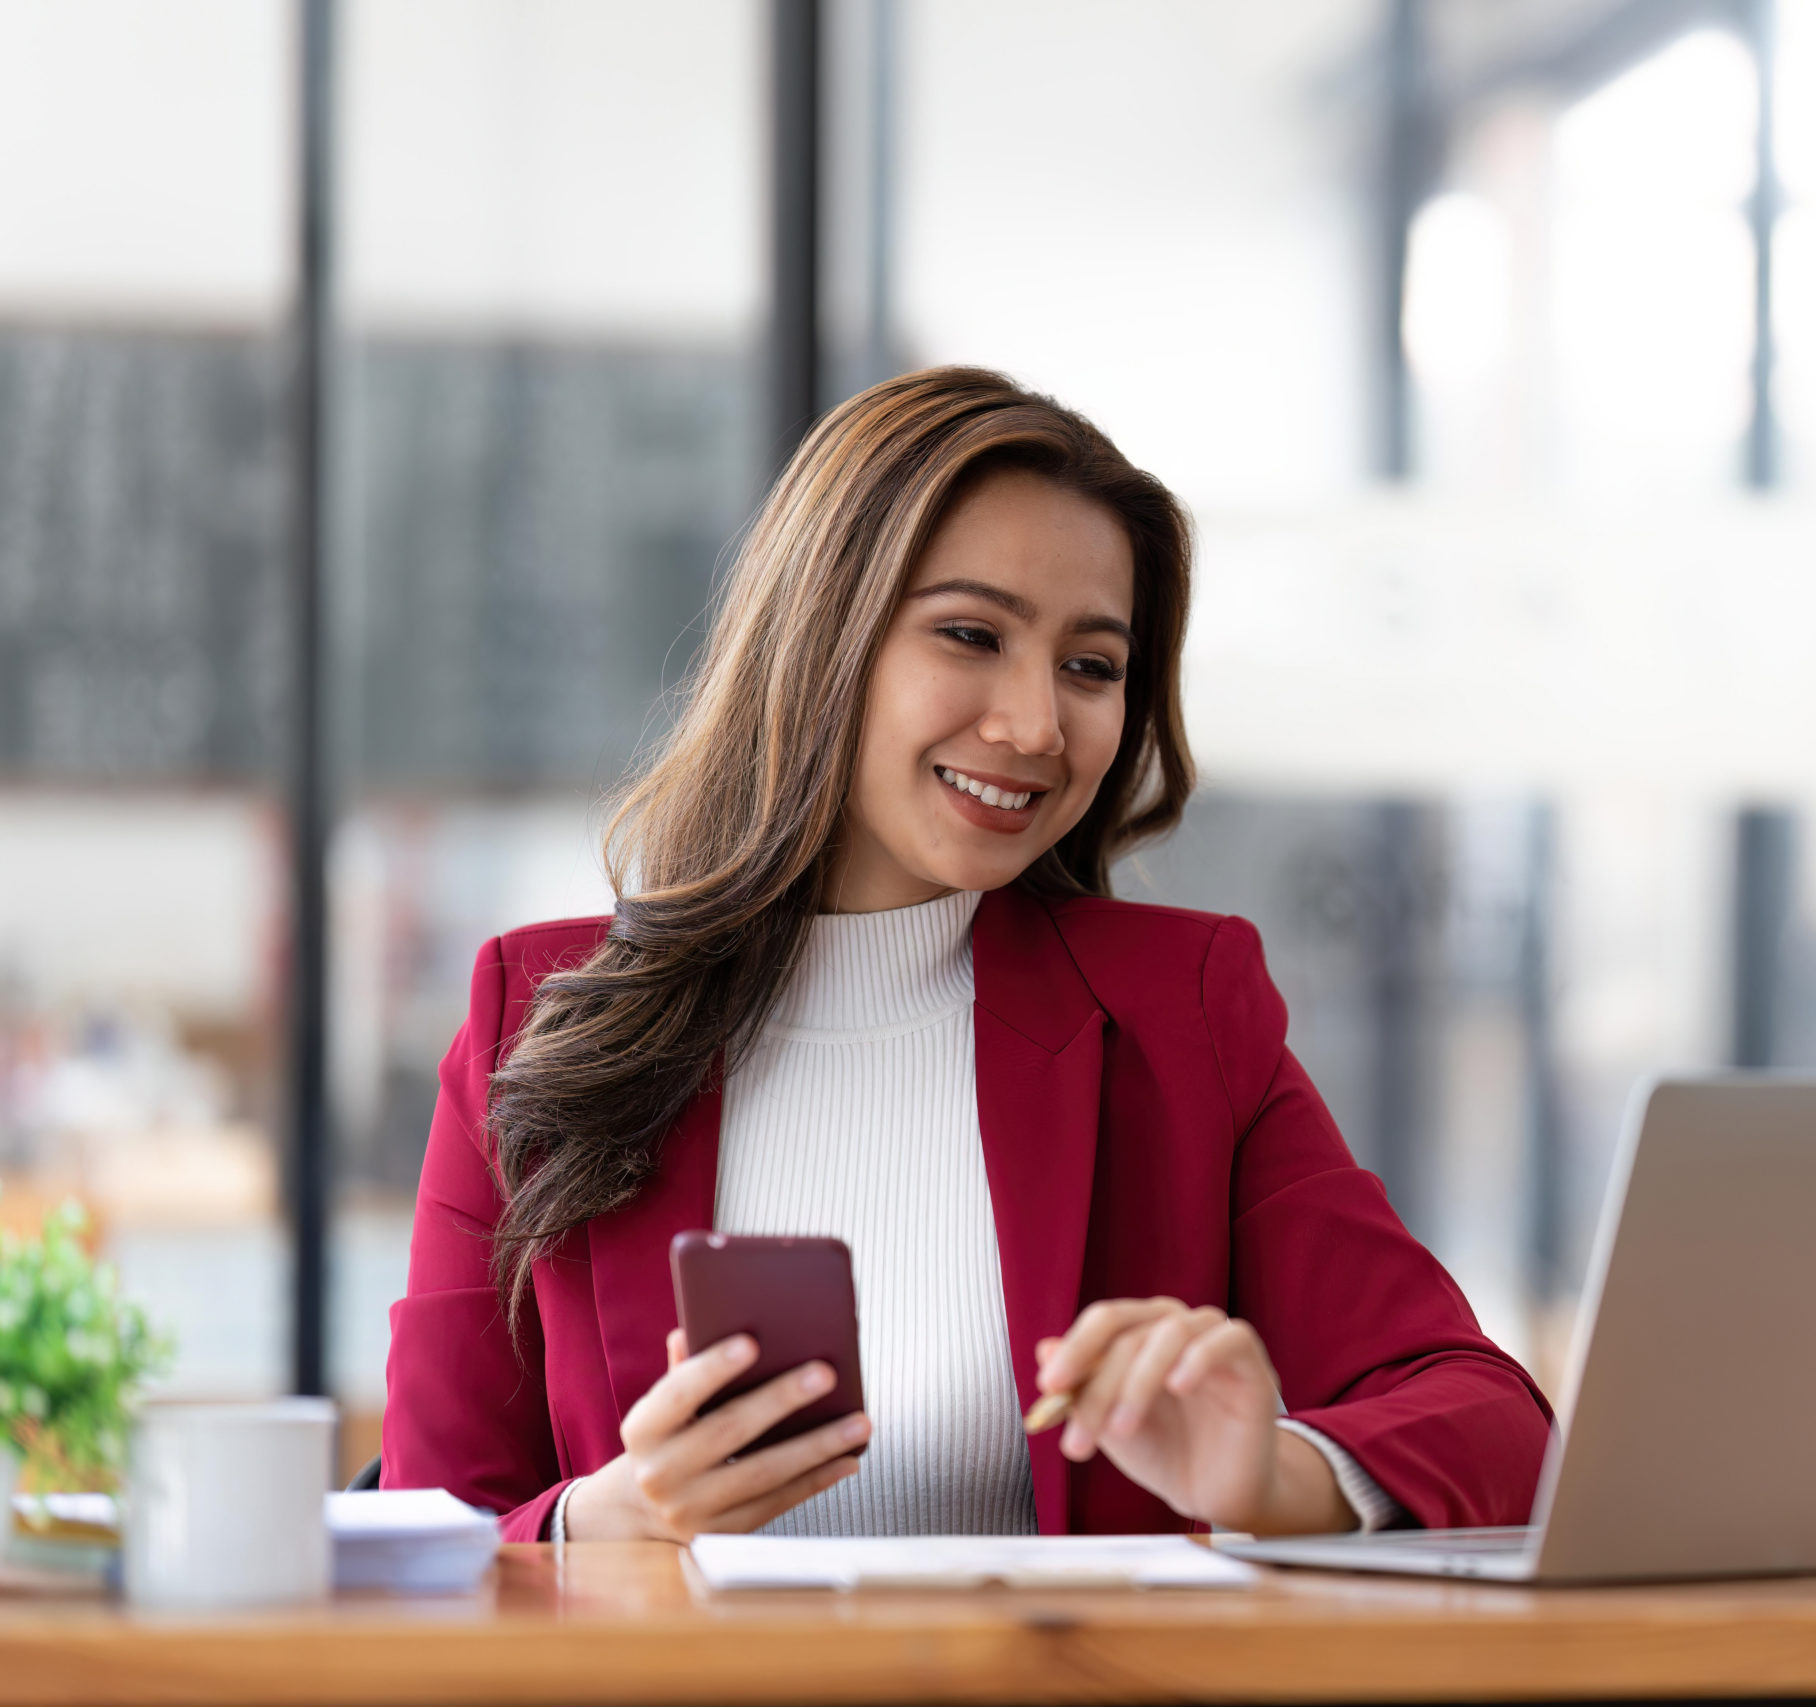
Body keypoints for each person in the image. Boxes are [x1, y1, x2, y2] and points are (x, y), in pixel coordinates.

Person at [383, 367, 1552, 1544]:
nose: (1036, 725)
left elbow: (1489, 1421)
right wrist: (600, 1524)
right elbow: (422, 1537)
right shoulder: (535, 1018)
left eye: (1091, 666)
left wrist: (1272, 1479)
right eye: (970, 635)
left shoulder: (1178, 1016)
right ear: (822, 636)